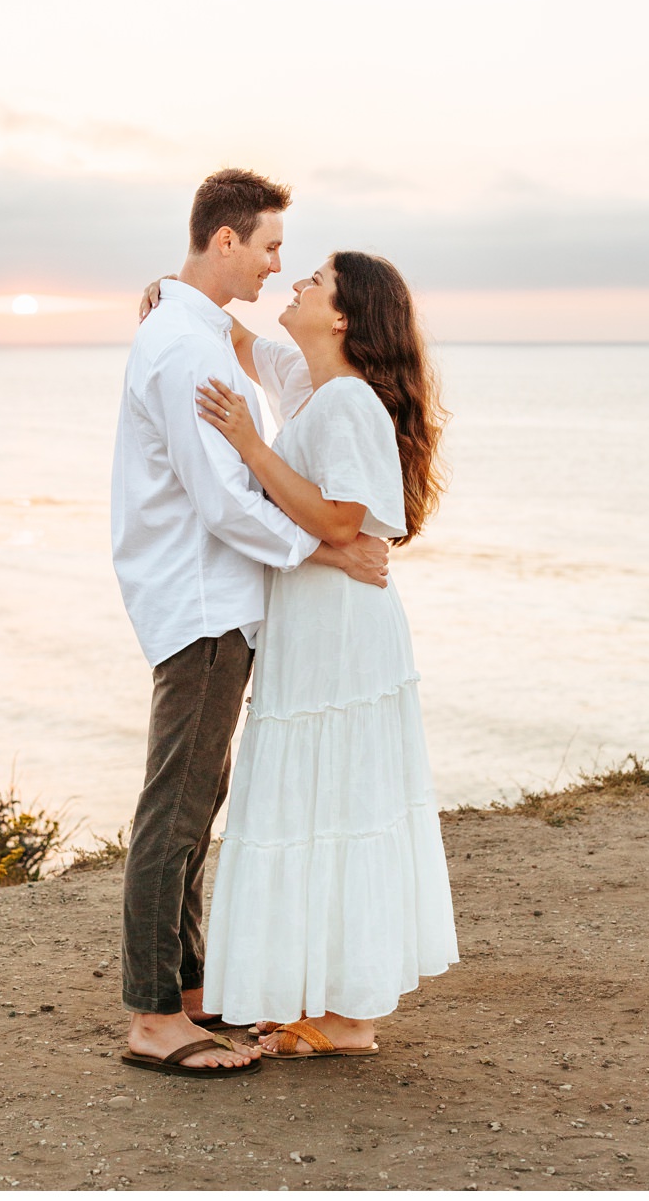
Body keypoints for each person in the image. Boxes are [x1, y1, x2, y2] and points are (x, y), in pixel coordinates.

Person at [111, 168, 391, 1078]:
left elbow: (250, 372)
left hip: (216, 600)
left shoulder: (192, 333)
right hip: (203, 599)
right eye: (271, 247)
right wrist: (330, 551)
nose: (280, 265)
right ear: (225, 241)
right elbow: (226, 505)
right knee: (178, 805)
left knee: (199, 799)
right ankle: (155, 1018)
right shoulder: (182, 350)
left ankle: (189, 992)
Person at [187, 250, 459, 1057]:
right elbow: (242, 343)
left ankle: (349, 1019)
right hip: (318, 622)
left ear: (341, 316)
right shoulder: (316, 388)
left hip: (341, 632)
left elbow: (344, 520)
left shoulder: (345, 403)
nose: (296, 284)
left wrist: (248, 443)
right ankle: (332, 1001)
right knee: (323, 803)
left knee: (341, 804)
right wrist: (176, 296)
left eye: (314, 282)